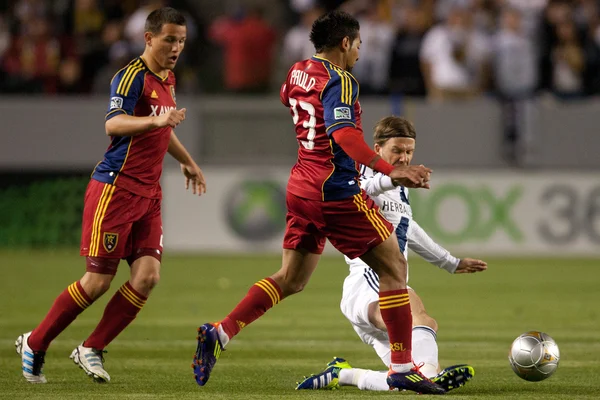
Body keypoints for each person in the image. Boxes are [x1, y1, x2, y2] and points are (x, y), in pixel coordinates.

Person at [192, 11, 445, 395]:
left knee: (291, 278)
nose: (359, 52)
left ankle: (221, 332)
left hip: (301, 185)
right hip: (334, 188)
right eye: (358, 45)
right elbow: (344, 134)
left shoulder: (297, 71)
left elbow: (287, 99)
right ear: (345, 43)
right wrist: (388, 171)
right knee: (395, 266)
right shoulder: (342, 81)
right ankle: (401, 368)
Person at [15, 7, 205, 384]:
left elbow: (163, 128)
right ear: (149, 38)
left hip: (149, 194)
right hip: (115, 188)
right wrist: (155, 121)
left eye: (181, 41)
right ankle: (35, 342)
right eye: (169, 39)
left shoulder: (168, 77)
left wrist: (187, 160)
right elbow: (113, 123)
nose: (176, 47)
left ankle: (91, 347)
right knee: (97, 281)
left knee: (148, 276)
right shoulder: (130, 76)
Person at [295, 116, 487, 392]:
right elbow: (359, 191)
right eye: (397, 150)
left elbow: (409, 229)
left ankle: (343, 374)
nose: (404, 158)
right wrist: (391, 178)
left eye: (409, 152)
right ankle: (430, 376)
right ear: (377, 149)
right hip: (370, 280)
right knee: (422, 320)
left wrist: (451, 263)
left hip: (380, 288)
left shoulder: (399, 189)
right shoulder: (358, 173)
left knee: (401, 382)